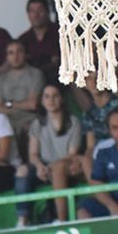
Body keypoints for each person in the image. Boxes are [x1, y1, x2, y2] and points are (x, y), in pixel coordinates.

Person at [14, 83, 85, 225]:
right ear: (42, 100)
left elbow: (72, 153)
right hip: (44, 166)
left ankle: (60, 218)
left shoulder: (73, 122)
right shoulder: (37, 124)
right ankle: (23, 219)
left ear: (62, 99)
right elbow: (33, 154)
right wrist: (40, 166)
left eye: (55, 96)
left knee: (57, 169)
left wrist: (52, 166)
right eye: (46, 96)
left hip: (64, 166)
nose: (51, 100)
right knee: (22, 171)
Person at [0, 40, 45, 148]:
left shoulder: (35, 74)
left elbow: (32, 105)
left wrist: (9, 103)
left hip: (30, 119)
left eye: (19, 52)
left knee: (32, 128)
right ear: (7, 57)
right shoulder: (1, 79)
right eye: (11, 53)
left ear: (25, 54)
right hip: (8, 122)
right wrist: (21, 106)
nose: (15, 57)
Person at [19, 0, 61, 82]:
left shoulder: (60, 34)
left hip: (59, 80)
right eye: (32, 11)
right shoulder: (23, 39)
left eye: (40, 11)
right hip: (31, 82)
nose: (36, 15)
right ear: (28, 14)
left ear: (47, 12)